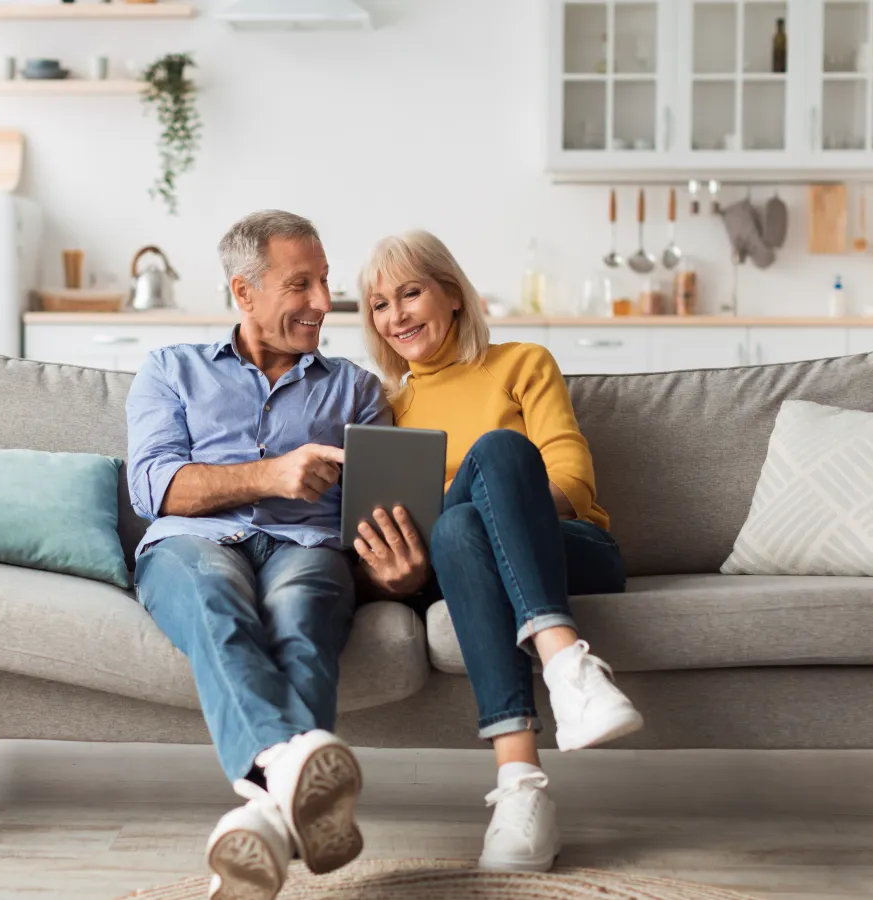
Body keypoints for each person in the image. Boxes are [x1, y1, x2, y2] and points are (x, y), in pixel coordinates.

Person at [349, 230, 640, 873]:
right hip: (458, 567)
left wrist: (488, 493)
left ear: (452, 295)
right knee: (456, 533)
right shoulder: (386, 409)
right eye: (378, 304)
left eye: (411, 292)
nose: (395, 315)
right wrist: (399, 568)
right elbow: (400, 534)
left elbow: (573, 484)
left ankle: (564, 670)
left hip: (571, 550)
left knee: (502, 454)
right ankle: (523, 789)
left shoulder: (522, 363)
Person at [126, 210, 389, 900]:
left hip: (308, 545)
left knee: (305, 613)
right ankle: (284, 770)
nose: (324, 304)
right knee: (216, 603)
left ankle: (267, 822)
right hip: (193, 543)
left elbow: (381, 516)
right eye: (300, 285)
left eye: (326, 281)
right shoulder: (169, 371)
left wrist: (404, 569)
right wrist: (270, 475)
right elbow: (153, 487)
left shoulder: (357, 390)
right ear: (244, 293)